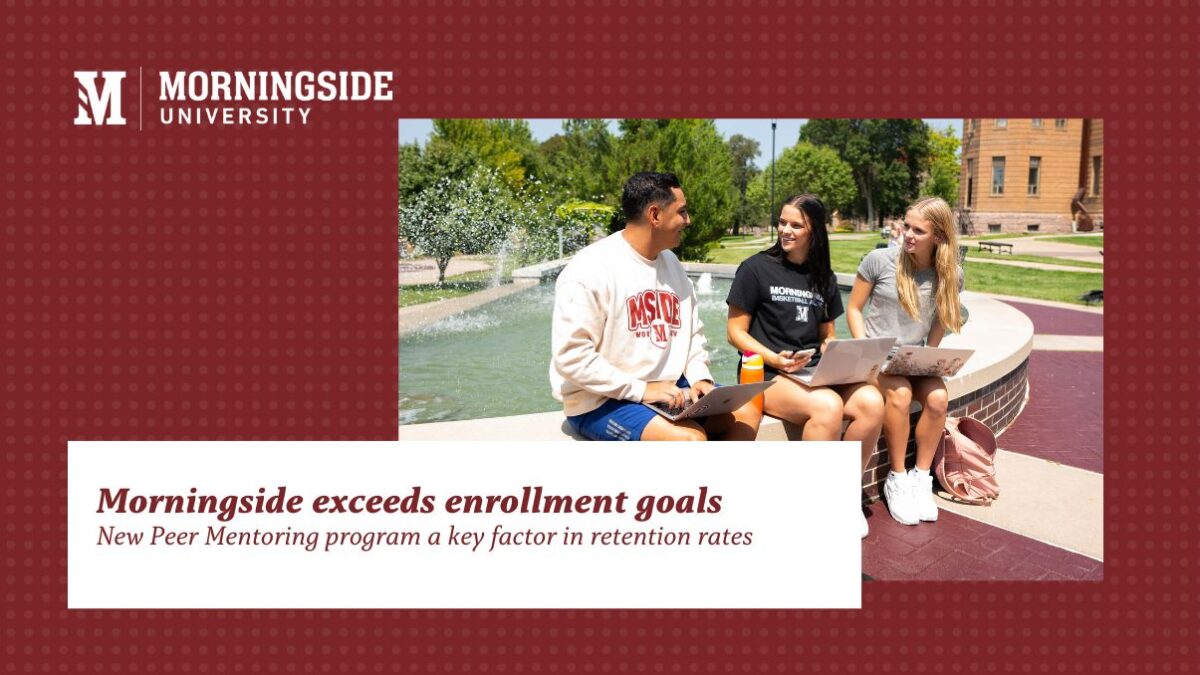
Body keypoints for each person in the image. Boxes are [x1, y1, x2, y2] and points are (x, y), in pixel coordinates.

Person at [550, 172, 760, 441]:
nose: (688, 220)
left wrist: (701, 378)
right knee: (691, 439)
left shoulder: (671, 263)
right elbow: (572, 358)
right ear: (655, 215)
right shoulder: (589, 269)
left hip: (671, 390)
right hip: (600, 401)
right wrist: (640, 390)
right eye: (682, 212)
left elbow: (693, 336)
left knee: (747, 413)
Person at [725, 194, 885, 538]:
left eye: (795, 224)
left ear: (814, 231)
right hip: (766, 373)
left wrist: (840, 355)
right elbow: (734, 333)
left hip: (811, 369)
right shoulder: (755, 268)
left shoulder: (822, 278)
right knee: (827, 406)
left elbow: (826, 334)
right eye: (782, 222)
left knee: (872, 402)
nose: (785, 230)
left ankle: (842, 496)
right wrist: (774, 358)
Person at [847, 196, 965, 526]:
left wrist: (932, 354)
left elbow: (942, 316)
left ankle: (920, 478)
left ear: (939, 236)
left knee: (939, 398)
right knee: (898, 394)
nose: (908, 234)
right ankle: (897, 478)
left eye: (918, 230)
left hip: (914, 358)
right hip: (878, 359)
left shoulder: (951, 274)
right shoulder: (880, 261)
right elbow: (854, 308)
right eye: (906, 226)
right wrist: (865, 350)